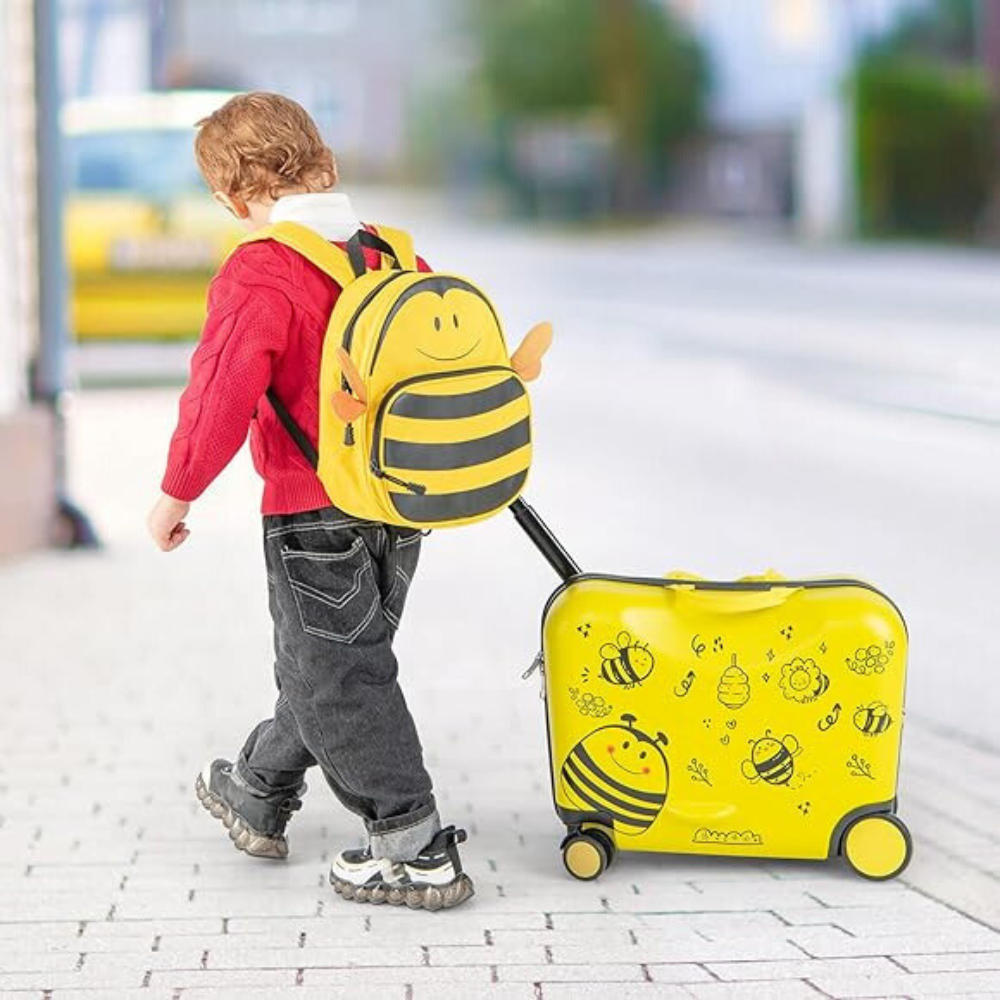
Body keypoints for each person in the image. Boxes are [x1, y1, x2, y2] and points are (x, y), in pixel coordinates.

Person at [147, 92, 473, 911]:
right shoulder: (395, 259)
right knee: (333, 656)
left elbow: (218, 394)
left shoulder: (261, 271)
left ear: (233, 196)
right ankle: (259, 789)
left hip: (311, 513)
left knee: (338, 674)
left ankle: (414, 846)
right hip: (401, 508)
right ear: (322, 161)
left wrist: (174, 493)